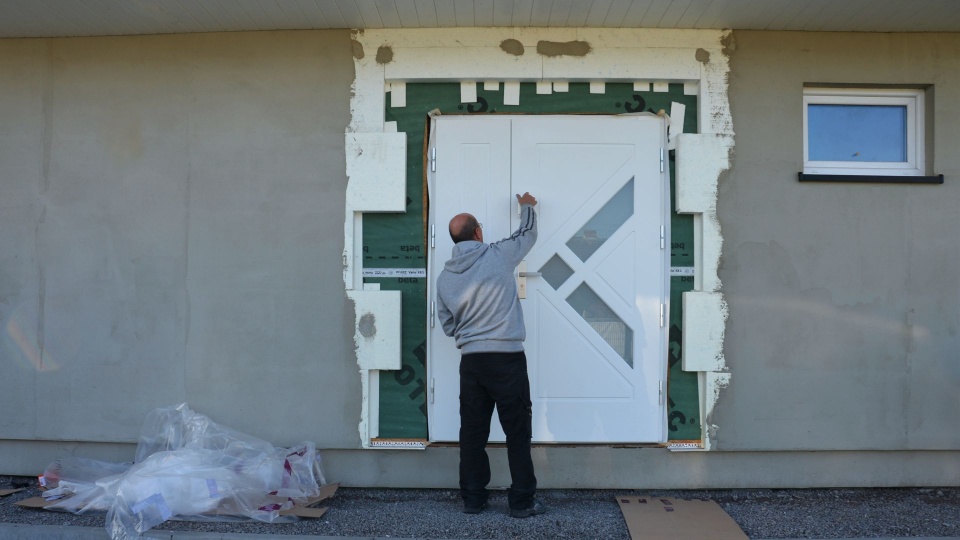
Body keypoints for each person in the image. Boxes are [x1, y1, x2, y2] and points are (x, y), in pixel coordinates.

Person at [436, 192, 546, 519]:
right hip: (507, 360)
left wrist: (471, 333)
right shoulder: (498, 255)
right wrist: (527, 206)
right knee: (517, 433)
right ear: (478, 232)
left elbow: (447, 325)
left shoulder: (445, 278)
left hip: (472, 363)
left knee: (472, 434)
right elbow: (527, 234)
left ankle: (473, 499)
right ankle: (521, 502)